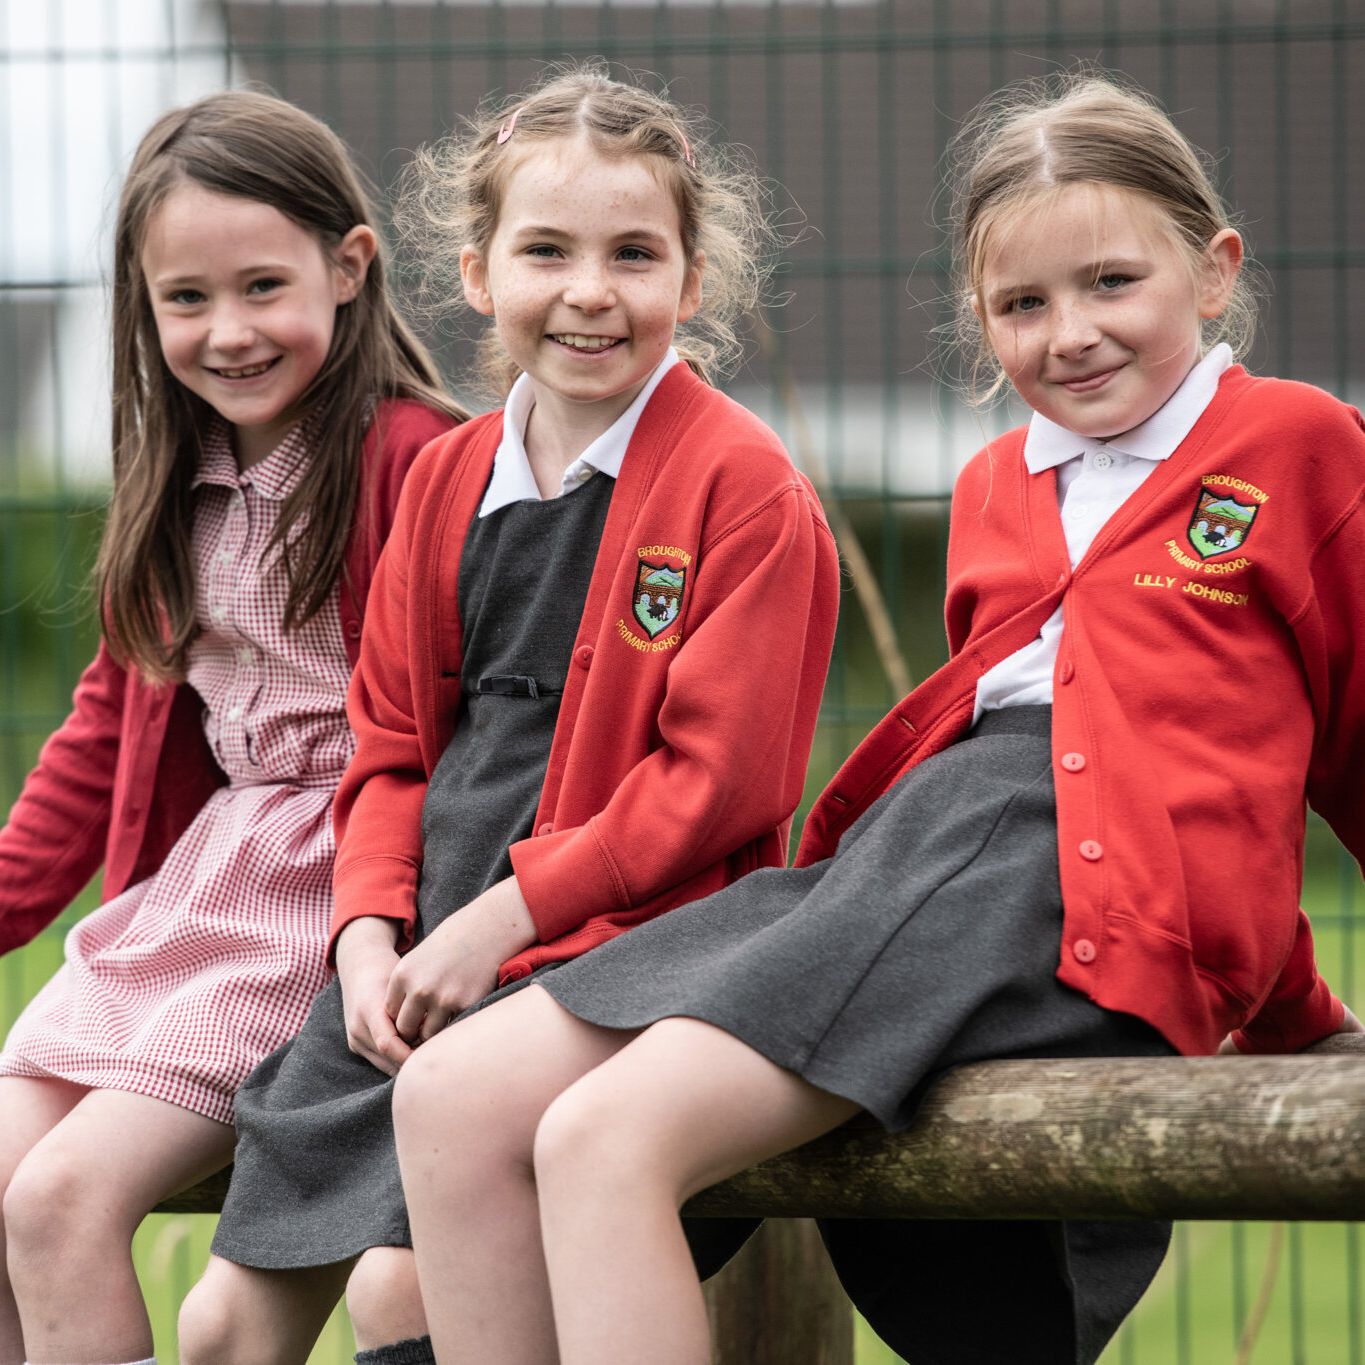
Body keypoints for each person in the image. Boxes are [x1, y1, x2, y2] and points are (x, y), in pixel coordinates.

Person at [390, 69, 1365, 1365]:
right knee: (450, 1094)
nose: (1070, 333)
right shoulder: (997, 481)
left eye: (1111, 283)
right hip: (913, 852)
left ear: (1214, 271)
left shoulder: (1297, 441)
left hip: (1042, 881)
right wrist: (1292, 1005)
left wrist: (1291, 1014)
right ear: (980, 318)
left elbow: (1270, 775)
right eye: (1023, 303)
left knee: (604, 1139)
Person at [181, 62, 840, 1365]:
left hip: (621, 952)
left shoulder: (744, 489)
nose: (590, 291)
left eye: (633, 254)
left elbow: (718, 783)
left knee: (399, 1295)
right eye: (547, 251)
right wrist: (365, 935)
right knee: (219, 1329)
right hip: (425, 957)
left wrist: (504, 919)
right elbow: (388, 751)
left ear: (690, 282)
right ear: (480, 275)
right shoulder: (442, 480)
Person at [0, 90, 460, 1365]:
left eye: (264, 286)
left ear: (349, 266)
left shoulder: (419, 462)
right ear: (142, 307)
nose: (229, 331)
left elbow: (468, 729)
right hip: (198, 893)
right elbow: (105, 733)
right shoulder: (176, 478)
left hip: (334, 898)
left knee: (56, 1201)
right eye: (187, 299)